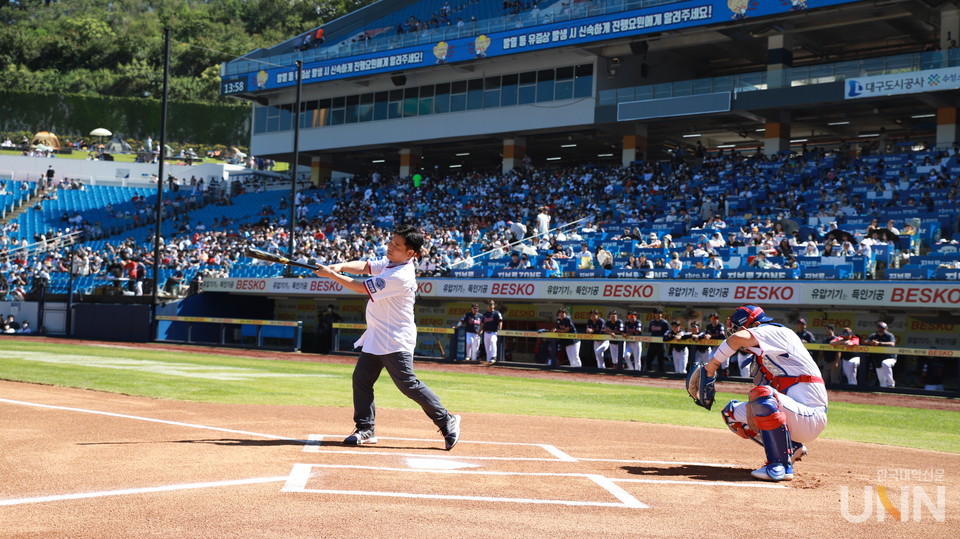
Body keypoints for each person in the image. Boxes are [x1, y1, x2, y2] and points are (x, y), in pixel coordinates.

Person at [311, 225, 461, 450]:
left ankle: (446, 419)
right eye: (391, 242)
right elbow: (366, 266)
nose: (390, 247)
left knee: (407, 384)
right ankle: (365, 429)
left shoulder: (400, 276)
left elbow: (361, 287)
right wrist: (340, 265)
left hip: (395, 338)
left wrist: (332, 275)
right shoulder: (392, 263)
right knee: (361, 380)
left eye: (396, 246)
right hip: (376, 336)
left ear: (411, 253)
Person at [704, 304, 828, 482]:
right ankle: (791, 448)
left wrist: (712, 366)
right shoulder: (761, 357)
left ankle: (779, 466)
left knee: (762, 396)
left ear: (749, 325)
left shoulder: (776, 331)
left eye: (736, 327)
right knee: (731, 413)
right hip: (791, 413)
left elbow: (737, 339)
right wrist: (752, 406)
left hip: (810, 415)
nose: (732, 332)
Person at [863, 321, 897, 387]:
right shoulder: (874, 335)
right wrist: (871, 342)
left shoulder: (889, 335)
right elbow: (865, 342)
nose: (880, 329)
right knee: (882, 380)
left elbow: (892, 344)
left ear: (886, 329)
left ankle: (891, 383)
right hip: (878, 359)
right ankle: (884, 393)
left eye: (882, 328)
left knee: (885, 363)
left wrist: (879, 343)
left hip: (890, 357)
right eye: (879, 328)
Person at [645, 307, 670, 373]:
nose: (657, 315)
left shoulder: (664, 322)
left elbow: (668, 332)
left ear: (661, 314)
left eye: (659, 313)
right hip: (653, 342)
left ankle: (660, 373)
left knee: (660, 359)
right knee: (649, 358)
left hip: (661, 343)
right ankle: (648, 371)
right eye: (656, 313)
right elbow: (650, 332)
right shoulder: (652, 322)